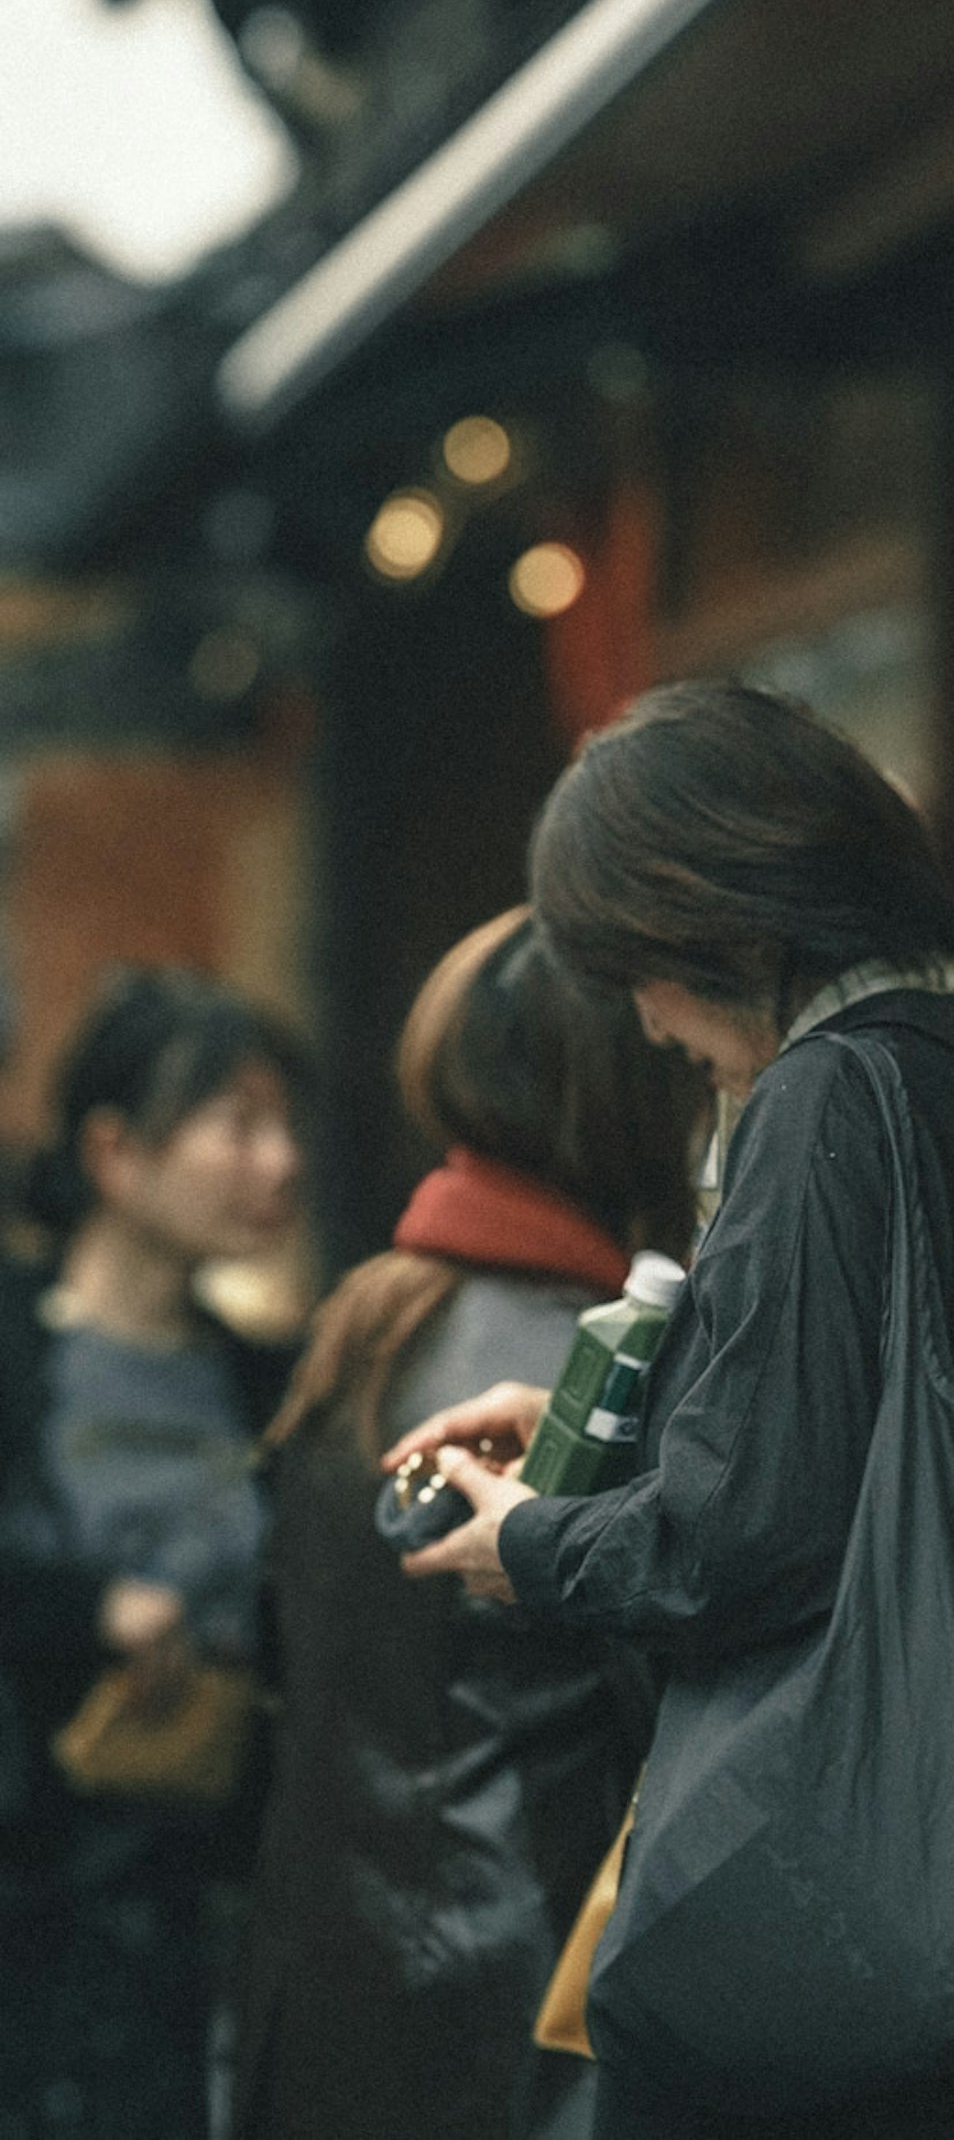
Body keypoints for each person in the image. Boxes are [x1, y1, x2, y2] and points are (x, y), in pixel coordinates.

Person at [392, 682, 954, 2140]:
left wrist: (537, 1542)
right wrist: (611, 1424)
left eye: (638, 965)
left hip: (869, 1921)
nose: (643, 1017)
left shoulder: (827, 1102)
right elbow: (866, 1449)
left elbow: (744, 1535)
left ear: (726, 924)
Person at [234, 909, 707, 2140]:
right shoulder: (597, 1368)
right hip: (524, 2009)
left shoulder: (367, 1316)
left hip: (329, 1987)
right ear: (632, 1099)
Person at [0, 970, 307, 2140]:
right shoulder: (15, 1348)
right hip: (31, 1908)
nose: (279, 1162)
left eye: (287, 1127)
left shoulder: (264, 1380)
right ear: (115, 1152)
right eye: (238, 1123)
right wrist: (89, 1610)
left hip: (197, 1920)